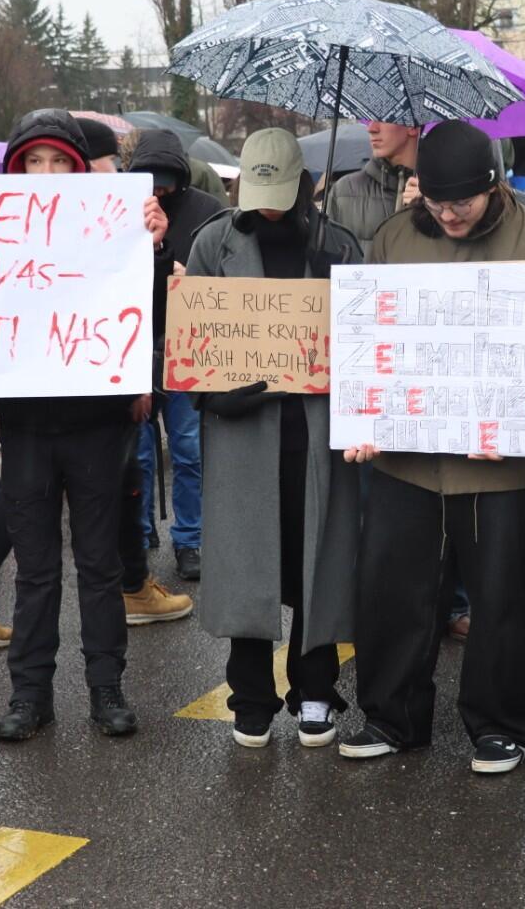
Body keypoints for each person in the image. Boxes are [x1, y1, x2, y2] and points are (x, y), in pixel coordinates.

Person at [339, 121, 525, 775]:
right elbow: (367, 337)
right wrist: (361, 417)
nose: (448, 215)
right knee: (394, 591)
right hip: (408, 459)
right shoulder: (394, 237)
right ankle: (391, 716)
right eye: (437, 204)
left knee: (503, 598)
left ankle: (498, 726)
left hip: (504, 466)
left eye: (461, 204)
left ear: (493, 186)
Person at [0, 110, 177, 744]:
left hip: (97, 426)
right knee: (36, 570)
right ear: (16, 168)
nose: (46, 172)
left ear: (78, 169)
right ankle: (30, 694)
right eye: (33, 161)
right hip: (25, 431)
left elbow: (148, 314)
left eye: (58, 162)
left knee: (100, 565)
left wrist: (155, 247)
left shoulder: (115, 225)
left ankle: (106, 688)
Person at [186, 128, 363, 748]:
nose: (267, 208)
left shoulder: (337, 244)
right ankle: (251, 697)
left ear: (304, 187)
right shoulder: (213, 242)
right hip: (244, 434)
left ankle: (315, 689)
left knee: (318, 560)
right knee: (249, 564)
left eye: (279, 195)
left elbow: (365, 339)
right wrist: (213, 394)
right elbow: (189, 339)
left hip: (316, 431)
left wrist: (339, 284)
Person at [128, 128, 223, 581]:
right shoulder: (124, 208)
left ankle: (190, 539)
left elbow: (227, 278)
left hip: (187, 348)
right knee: (139, 453)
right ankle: (139, 532)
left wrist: (194, 278)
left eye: (166, 182)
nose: (160, 192)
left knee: (188, 450)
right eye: (152, 182)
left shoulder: (207, 210)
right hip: (136, 346)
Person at [324, 121, 420, 255]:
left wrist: (431, 207)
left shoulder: (441, 197)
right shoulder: (343, 191)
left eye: (384, 119)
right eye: (370, 119)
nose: (371, 128)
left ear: (412, 126)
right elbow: (328, 258)